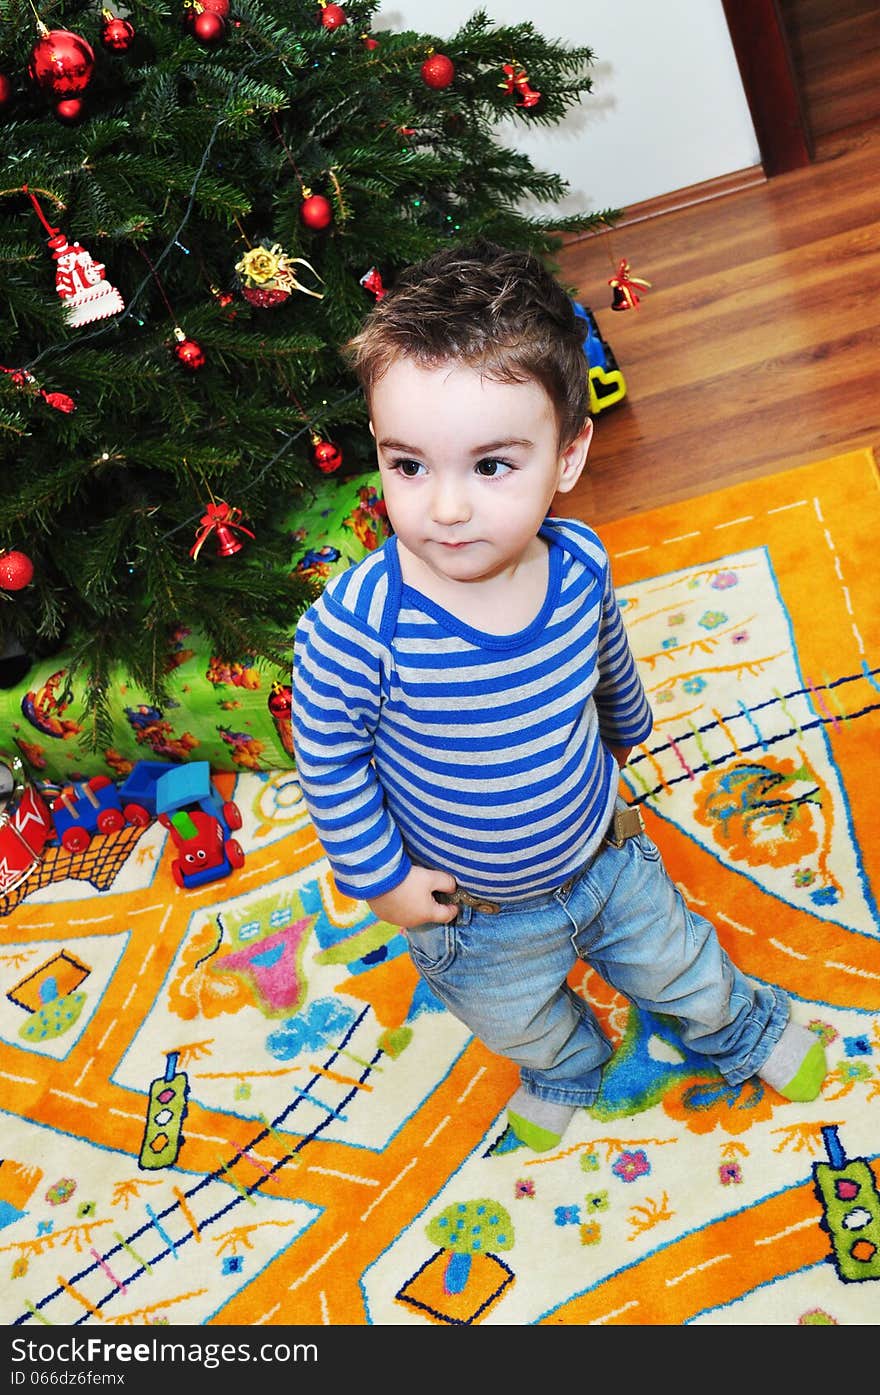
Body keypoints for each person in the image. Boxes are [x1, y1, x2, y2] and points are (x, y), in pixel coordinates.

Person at [290, 240, 828, 1152]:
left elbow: (607, 658)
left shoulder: (580, 562)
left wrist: (625, 731)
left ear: (569, 455)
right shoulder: (354, 630)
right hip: (475, 912)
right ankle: (565, 1062)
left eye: (490, 465)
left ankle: (743, 1030)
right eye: (408, 465)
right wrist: (384, 881)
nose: (445, 508)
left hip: (605, 854)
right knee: (513, 1016)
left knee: (681, 964)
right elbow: (330, 760)